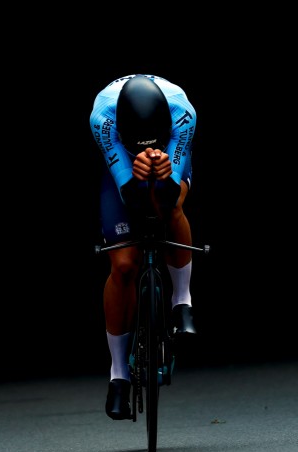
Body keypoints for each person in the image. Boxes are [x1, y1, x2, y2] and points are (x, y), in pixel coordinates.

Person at [90, 74, 197, 420]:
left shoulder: (183, 113)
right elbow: (131, 197)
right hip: (120, 158)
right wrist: (134, 170)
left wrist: (165, 175)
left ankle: (182, 299)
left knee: (174, 205)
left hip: (171, 151)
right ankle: (118, 374)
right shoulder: (102, 119)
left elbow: (167, 199)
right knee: (122, 265)